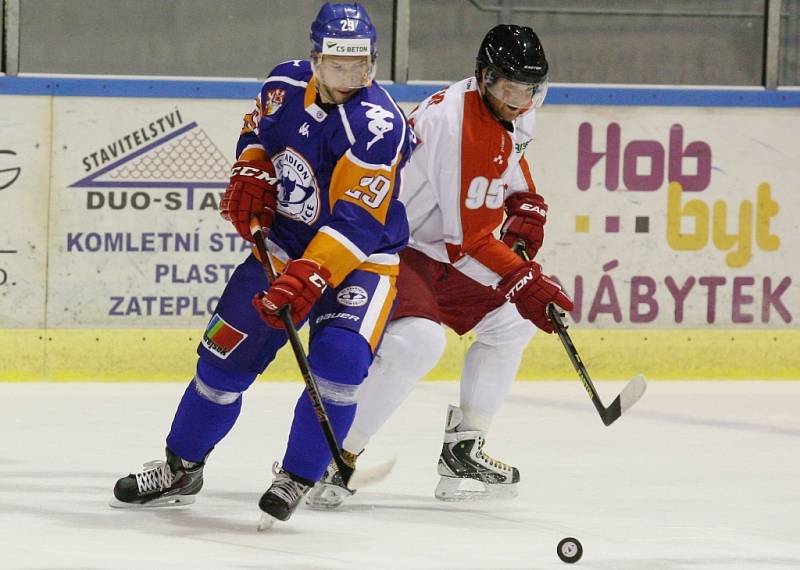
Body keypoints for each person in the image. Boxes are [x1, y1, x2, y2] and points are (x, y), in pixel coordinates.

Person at [110, 2, 415, 527]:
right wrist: (250, 170)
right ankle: (181, 469)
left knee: (340, 367)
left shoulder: (379, 125)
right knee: (221, 363)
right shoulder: (283, 83)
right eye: (339, 65)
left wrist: (312, 273)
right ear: (315, 58)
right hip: (281, 247)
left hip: (359, 260)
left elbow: (358, 221)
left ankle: (298, 475)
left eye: (361, 66)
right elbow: (259, 132)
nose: (350, 78)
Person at [307, 24, 573, 506]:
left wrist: (525, 198)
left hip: (441, 246)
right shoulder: (452, 125)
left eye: (528, 89)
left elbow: (512, 157)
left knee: (511, 323)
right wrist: (521, 276)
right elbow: (467, 240)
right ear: (484, 77)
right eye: (508, 88)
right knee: (418, 342)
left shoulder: (518, 110)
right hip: (392, 243)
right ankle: (332, 458)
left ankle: (464, 449)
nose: (518, 101)